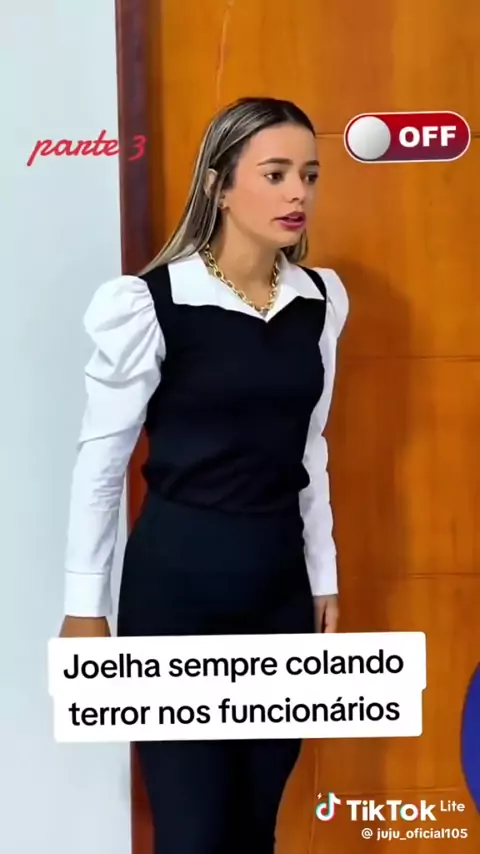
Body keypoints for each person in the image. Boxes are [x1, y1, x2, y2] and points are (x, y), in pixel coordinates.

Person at [60, 96, 349, 854]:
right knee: (193, 834)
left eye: (309, 175)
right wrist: (84, 607)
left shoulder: (321, 301)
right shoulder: (150, 304)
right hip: (176, 594)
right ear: (220, 186)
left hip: (278, 592)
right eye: (276, 174)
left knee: (254, 830)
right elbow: (101, 463)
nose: (298, 193)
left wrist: (323, 577)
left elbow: (309, 448)